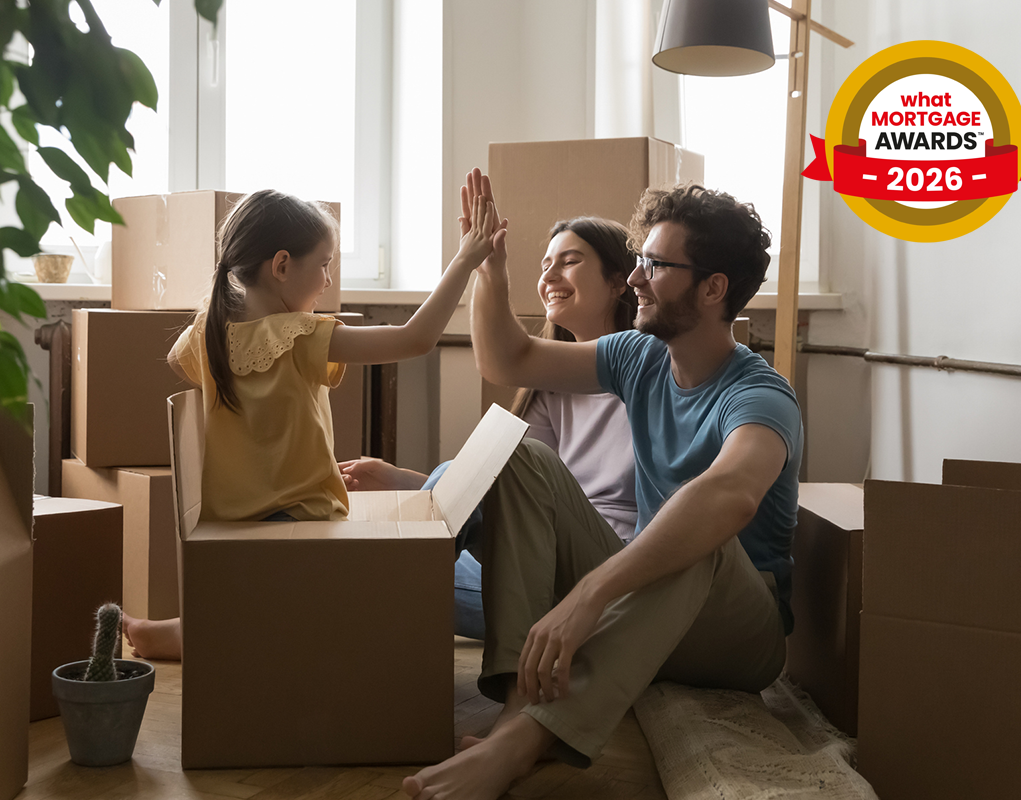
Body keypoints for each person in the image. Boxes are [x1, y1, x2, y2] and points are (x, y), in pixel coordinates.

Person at [403, 181, 803, 800]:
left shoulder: (759, 394)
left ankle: (524, 743)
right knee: (519, 456)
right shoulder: (637, 356)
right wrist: (491, 269)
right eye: (640, 260)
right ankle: (518, 699)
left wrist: (590, 593)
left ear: (713, 287)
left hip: (738, 636)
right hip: (652, 607)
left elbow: (731, 495)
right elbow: (508, 360)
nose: (638, 277)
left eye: (657, 264)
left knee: (696, 532)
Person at [122, 181, 502, 660]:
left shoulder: (207, 332)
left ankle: (189, 629)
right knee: (440, 538)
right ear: (281, 265)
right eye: (323, 264)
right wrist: (465, 260)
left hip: (233, 533)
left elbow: (187, 364)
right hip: (305, 526)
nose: (326, 281)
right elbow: (416, 338)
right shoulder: (297, 336)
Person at [340, 211, 640, 639]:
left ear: (618, 281)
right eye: (545, 265)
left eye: (569, 261)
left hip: (606, 573)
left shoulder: (649, 370)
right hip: (543, 558)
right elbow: (512, 487)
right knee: (380, 558)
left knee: (406, 577)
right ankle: (385, 593)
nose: (550, 274)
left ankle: (380, 606)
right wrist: (407, 482)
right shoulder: (550, 385)